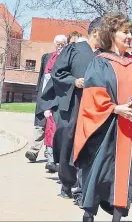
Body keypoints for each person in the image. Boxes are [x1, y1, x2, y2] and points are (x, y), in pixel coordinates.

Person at [72, 13, 132, 222]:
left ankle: (117, 217)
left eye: (130, 31)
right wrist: (115, 108)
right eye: (124, 32)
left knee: (126, 176)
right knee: (98, 172)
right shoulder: (100, 62)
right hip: (104, 130)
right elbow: (92, 97)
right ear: (111, 34)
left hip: (131, 130)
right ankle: (89, 215)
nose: (129, 36)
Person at [39, 17, 102, 201]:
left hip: (95, 108)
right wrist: (73, 81)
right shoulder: (73, 49)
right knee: (67, 143)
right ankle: (67, 183)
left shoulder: (105, 55)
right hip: (73, 104)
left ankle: (84, 189)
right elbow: (58, 72)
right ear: (96, 31)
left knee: (89, 144)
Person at [26, 34, 67, 173]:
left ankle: (49, 154)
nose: (60, 45)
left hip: (56, 97)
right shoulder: (47, 57)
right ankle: (34, 151)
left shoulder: (66, 58)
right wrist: (38, 92)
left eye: (62, 43)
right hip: (43, 94)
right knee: (39, 123)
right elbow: (41, 76)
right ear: (54, 44)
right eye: (58, 43)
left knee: (52, 125)